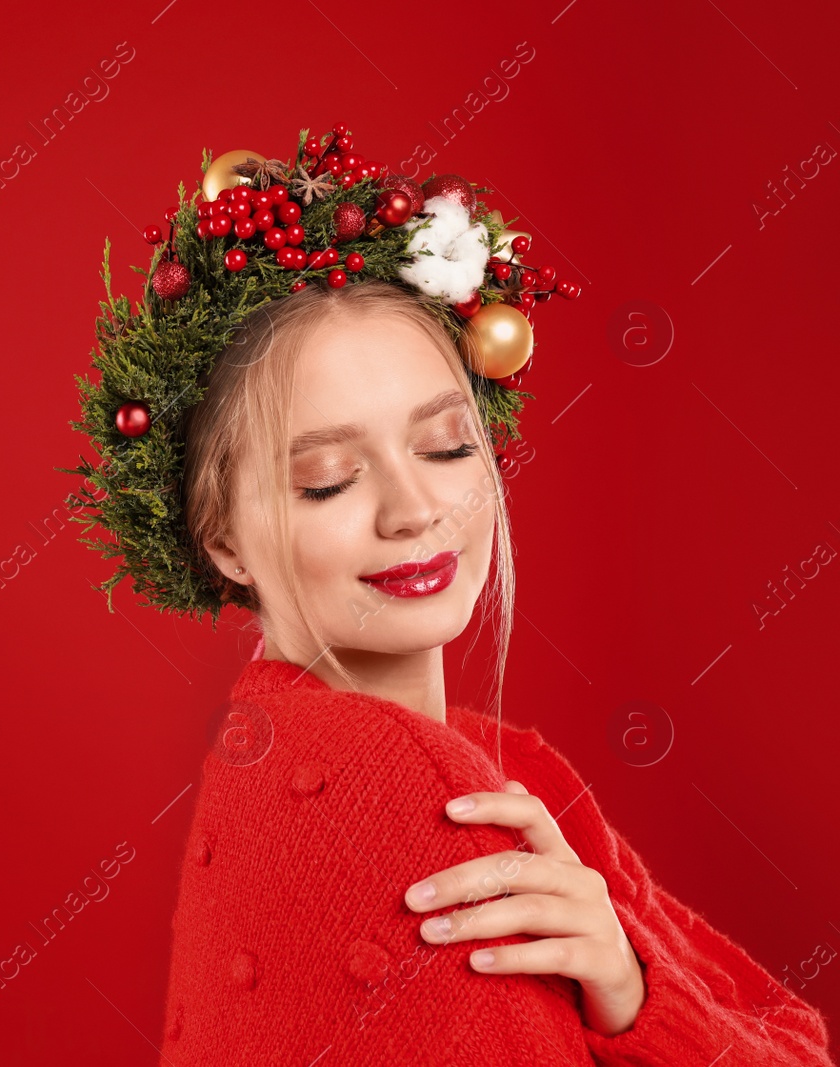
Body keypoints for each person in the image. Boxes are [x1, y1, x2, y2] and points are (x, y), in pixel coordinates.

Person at [63, 125, 836, 1064]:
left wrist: (632, 992)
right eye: (328, 479)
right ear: (222, 536)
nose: (414, 509)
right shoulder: (408, 791)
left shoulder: (506, 769)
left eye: (444, 447)